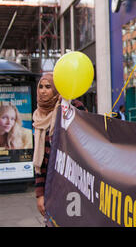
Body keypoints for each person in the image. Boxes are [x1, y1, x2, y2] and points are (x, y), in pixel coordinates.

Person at [32, 73, 86, 219]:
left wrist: (68, 103)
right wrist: (40, 195)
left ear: (56, 89)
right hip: (51, 185)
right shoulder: (38, 116)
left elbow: (86, 129)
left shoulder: (69, 107)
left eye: (48, 87)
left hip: (74, 181)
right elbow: (40, 162)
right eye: (41, 87)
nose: (43, 91)